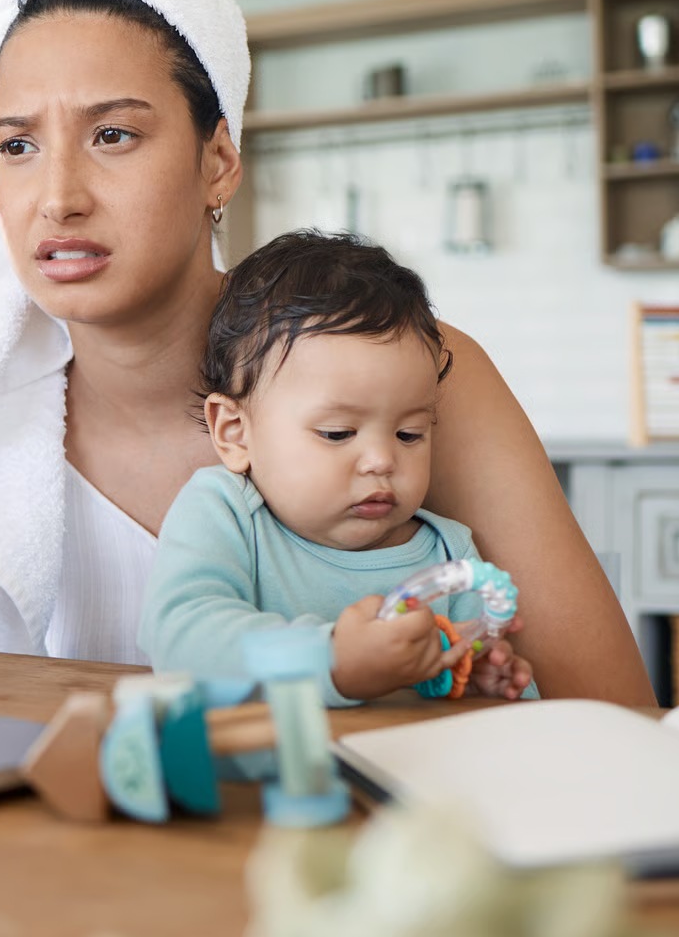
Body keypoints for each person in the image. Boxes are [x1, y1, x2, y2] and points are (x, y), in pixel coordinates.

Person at [0, 0, 653, 706]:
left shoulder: (411, 373)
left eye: (113, 134)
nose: (58, 197)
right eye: (18, 144)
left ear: (218, 162)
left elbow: (611, 713)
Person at [140, 230, 535, 703]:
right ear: (234, 432)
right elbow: (179, 638)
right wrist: (333, 659)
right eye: (337, 434)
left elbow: (485, 703)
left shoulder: (450, 554)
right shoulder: (225, 515)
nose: (381, 460)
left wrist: (480, 681)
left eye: (410, 434)